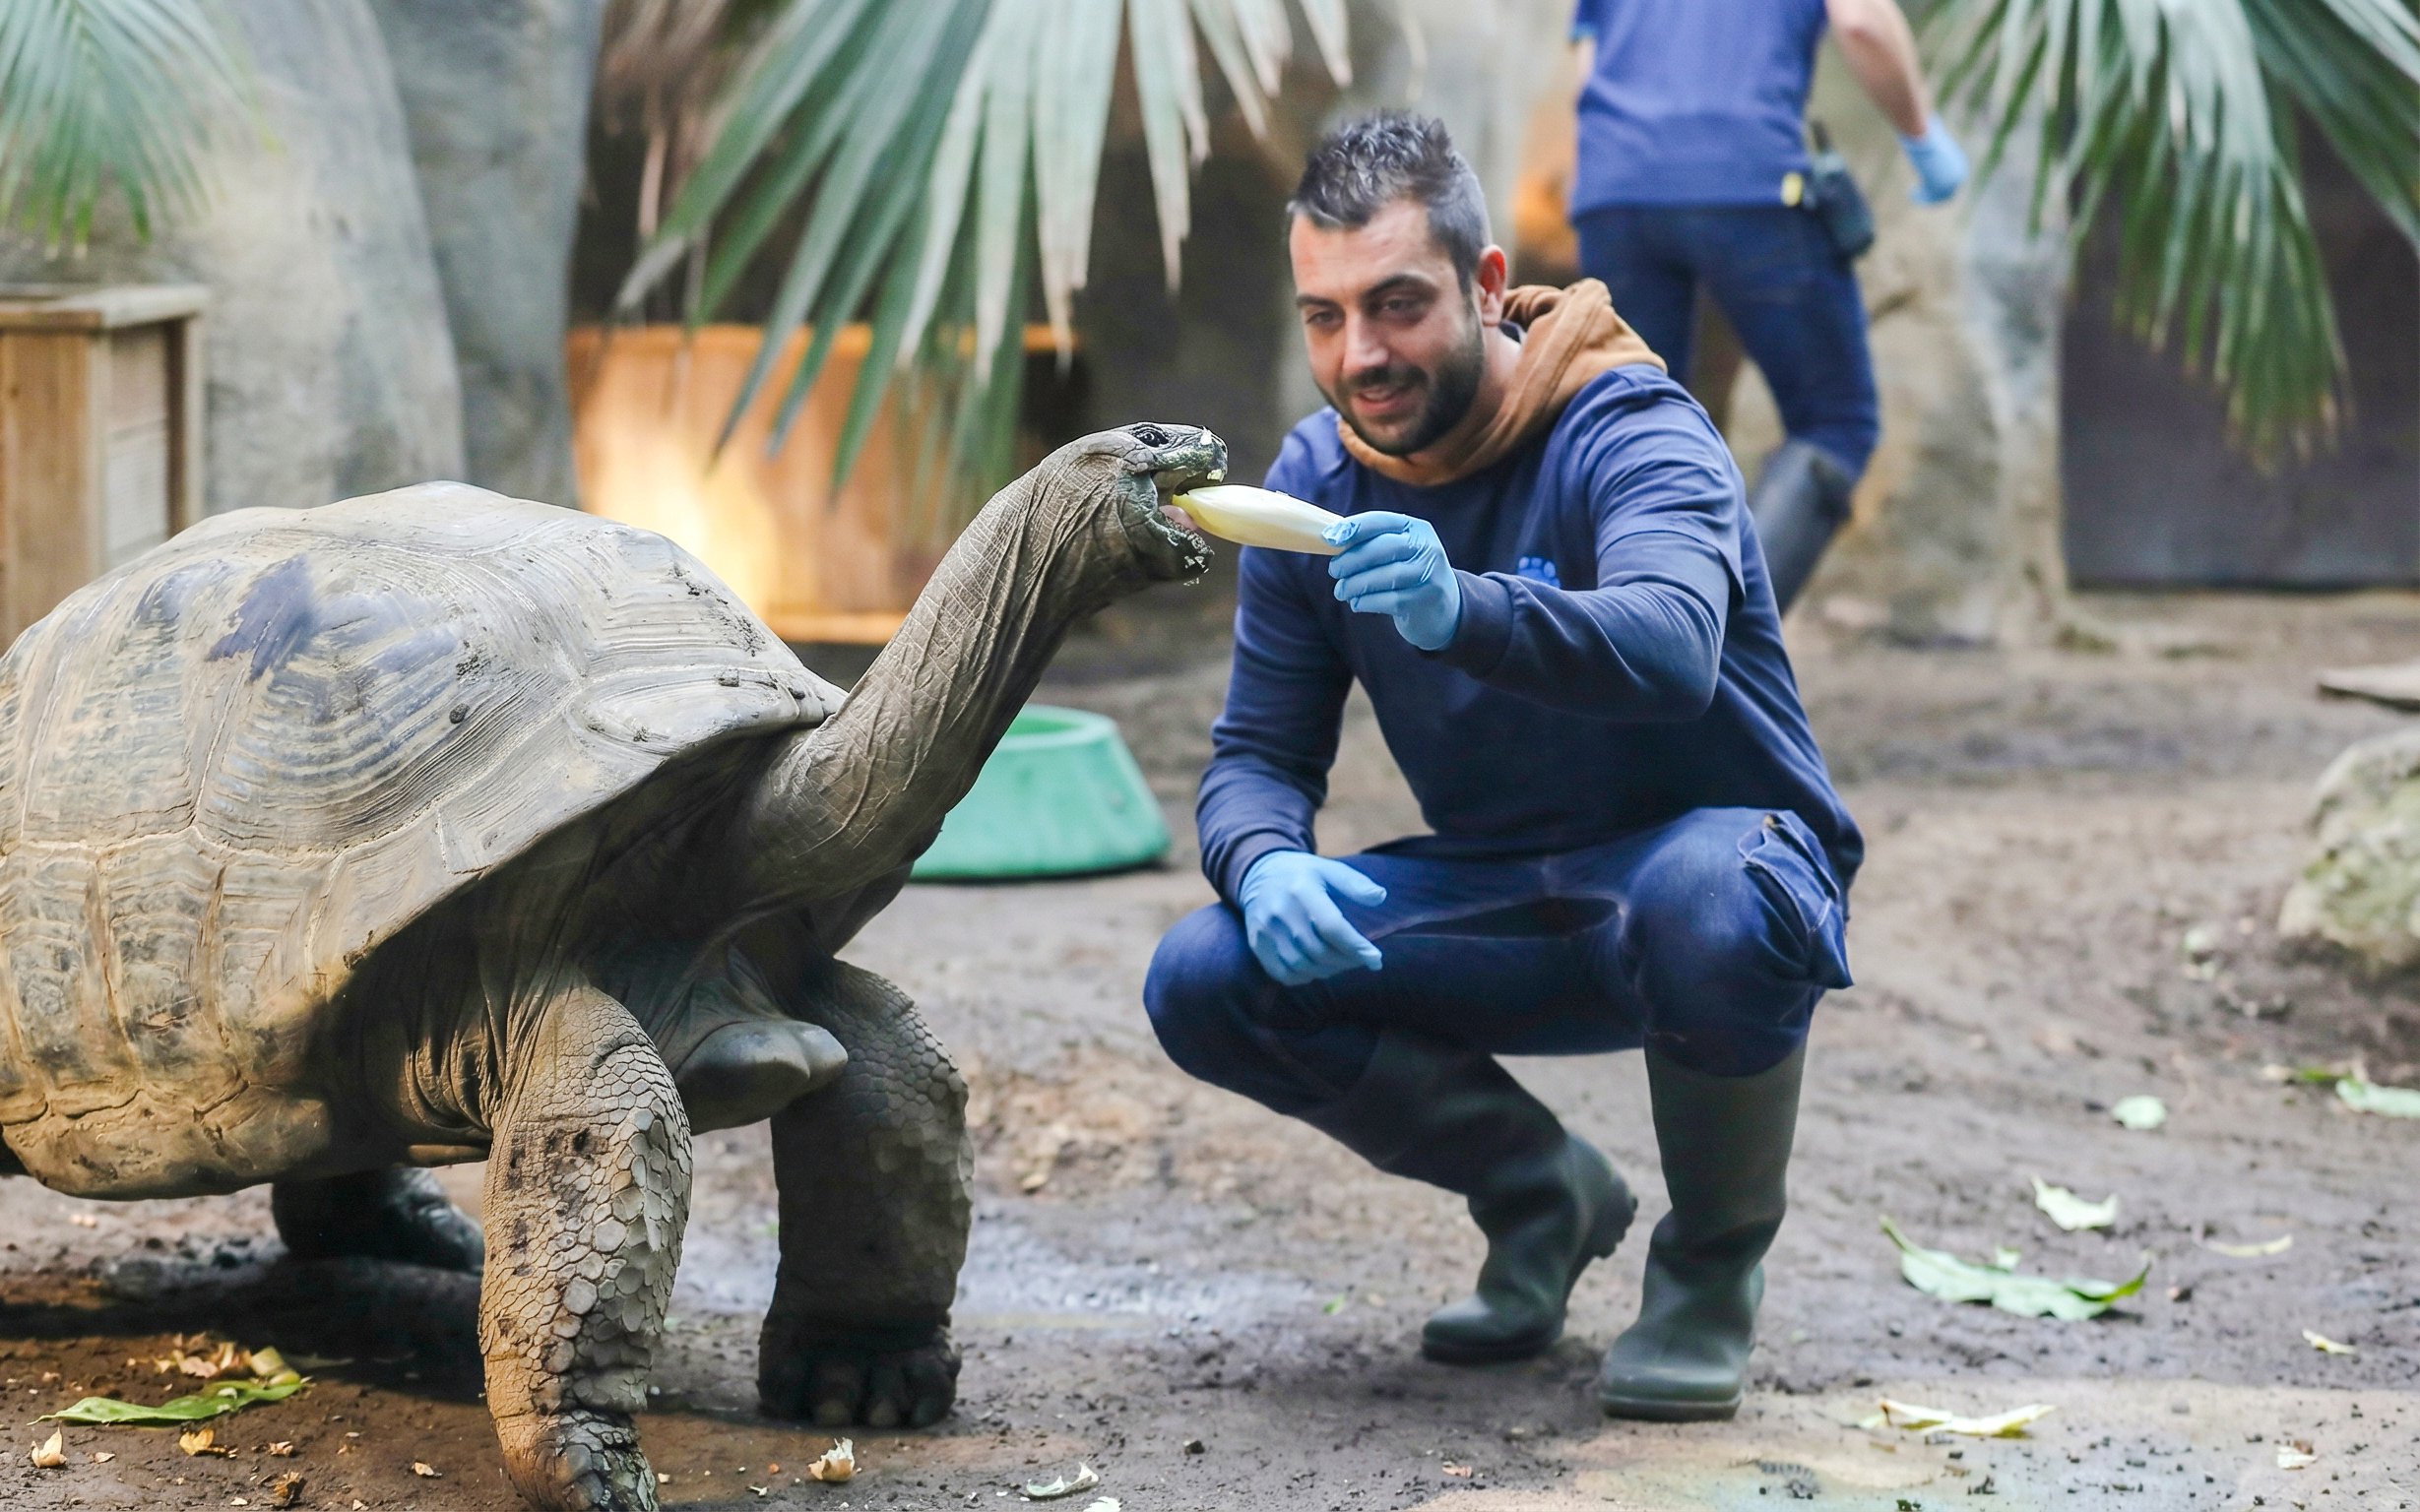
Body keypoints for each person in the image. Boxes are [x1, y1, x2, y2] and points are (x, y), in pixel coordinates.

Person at [1143, 114, 1861, 1423]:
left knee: (1719, 898)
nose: (1357, 356)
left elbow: (1671, 648)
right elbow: (1256, 755)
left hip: (1694, 880)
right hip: (1497, 900)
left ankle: (1705, 1276)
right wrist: (1264, 865)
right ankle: (1542, 1197)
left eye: (1397, 305)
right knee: (1206, 971)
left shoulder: (1628, 423)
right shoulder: (1322, 481)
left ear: (1483, 286)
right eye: (1322, 317)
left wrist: (1463, 606)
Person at [1568, 0, 1967, 610]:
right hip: (1749, 179)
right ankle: (1724, 644)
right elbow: (1863, 20)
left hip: (1613, 188)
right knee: (1836, 422)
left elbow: (1586, 60)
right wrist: (1922, 135)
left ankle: (1629, 643)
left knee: (1631, 428)